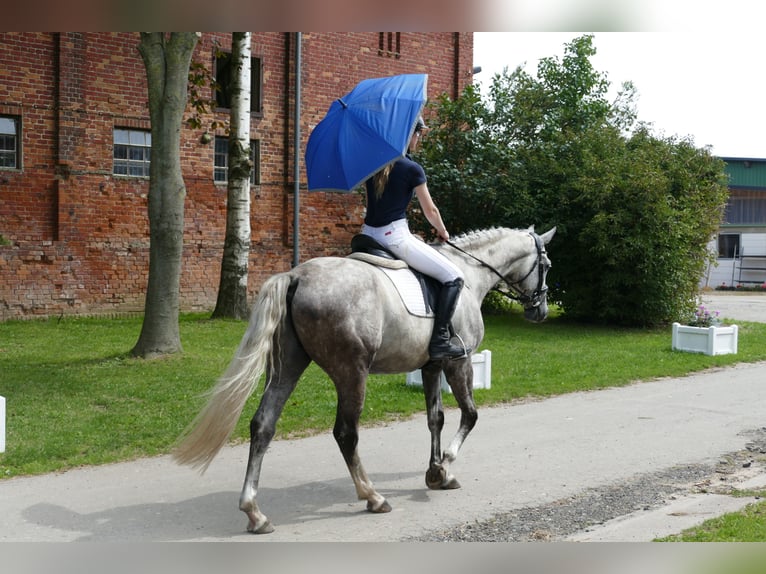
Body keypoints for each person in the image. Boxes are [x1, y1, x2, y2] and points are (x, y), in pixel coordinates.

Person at [362, 116, 470, 361]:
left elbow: (373, 207)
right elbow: (430, 211)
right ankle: (440, 340)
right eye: (418, 134)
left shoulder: (373, 166)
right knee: (454, 277)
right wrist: (442, 232)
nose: (419, 139)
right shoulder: (412, 169)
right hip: (394, 238)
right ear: (410, 135)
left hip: (368, 235)